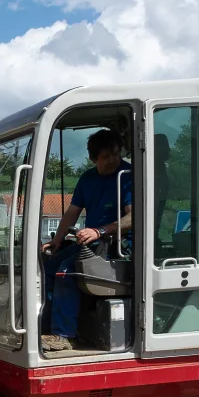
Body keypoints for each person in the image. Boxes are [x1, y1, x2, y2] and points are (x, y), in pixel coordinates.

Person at [40, 128, 133, 353]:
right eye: (105, 157)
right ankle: (50, 327)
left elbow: (134, 217)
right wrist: (58, 240)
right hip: (92, 242)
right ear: (93, 159)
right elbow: (72, 212)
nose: (112, 161)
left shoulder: (128, 176)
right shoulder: (87, 179)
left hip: (118, 244)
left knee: (66, 271)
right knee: (48, 266)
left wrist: (99, 231)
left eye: (115, 154)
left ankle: (64, 334)